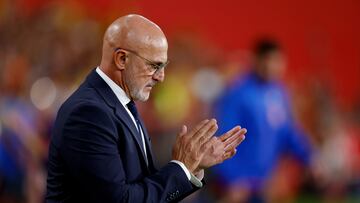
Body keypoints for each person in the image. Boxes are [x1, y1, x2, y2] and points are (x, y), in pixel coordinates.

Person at [46, 14, 247, 203]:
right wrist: (181, 168)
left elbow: (142, 187)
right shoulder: (90, 113)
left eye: (163, 66)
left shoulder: (122, 104)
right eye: (154, 66)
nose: (161, 77)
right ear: (122, 59)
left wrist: (191, 168)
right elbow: (120, 200)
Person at [212, 39, 312, 202]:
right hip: (240, 186)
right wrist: (232, 179)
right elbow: (224, 136)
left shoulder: (279, 93)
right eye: (267, 60)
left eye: (277, 61)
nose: (272, 66)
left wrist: (309, 157)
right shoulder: (238, 93)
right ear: (256, 61)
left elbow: (289, 132)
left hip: (266, 184)